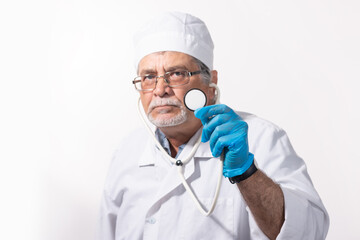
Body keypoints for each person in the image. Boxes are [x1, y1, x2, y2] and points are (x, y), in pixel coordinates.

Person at [98, 12, 329, 240]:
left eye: (177, 74)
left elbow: (308, 232)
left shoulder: (261, 138)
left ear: (211, 83)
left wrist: (246, 173)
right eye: (149, 77)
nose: (160, 90)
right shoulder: (127, 153)